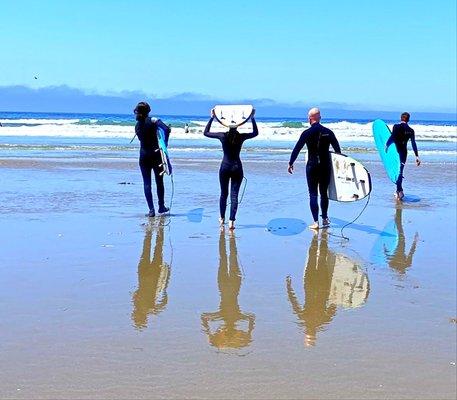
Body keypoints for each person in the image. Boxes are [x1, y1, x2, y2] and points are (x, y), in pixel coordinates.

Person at [203, 108, 258, 230]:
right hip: (237, 167)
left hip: (225, 167)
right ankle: (232, 221)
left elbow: (206, 132)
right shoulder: (241, 137)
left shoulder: (222, 136)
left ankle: (222, 218)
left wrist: (212, 117)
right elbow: (255, 133)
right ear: (238, 125)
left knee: (223, 194)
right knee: (234, 195)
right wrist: (252, 118)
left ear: (227, 125)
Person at [288, 107, 341, 229]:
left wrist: (291, 162)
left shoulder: (306, 133)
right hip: (325, 166)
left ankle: (316, 222)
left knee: (313, 194)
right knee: (324, 193)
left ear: (309, 119)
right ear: (320, 118)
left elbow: (297, 148)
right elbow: (337, 149)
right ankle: (325, 219)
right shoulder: (328, 132)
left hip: (312, 166)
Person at [201, 231, 255, 349]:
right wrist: (209, 333)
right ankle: (229, 238)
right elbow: (204, 317)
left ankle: (228, 238)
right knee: (225, 259)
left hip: (233, 286)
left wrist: (248, 332)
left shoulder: (236, 316)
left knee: (227, 258)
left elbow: (252, 317)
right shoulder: (222, 315)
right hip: (225, 285)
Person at [134, 101, 171, 217]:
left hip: (143, 156)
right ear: (148, 111)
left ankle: (151, 210)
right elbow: (166, 129)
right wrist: (165, 142)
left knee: (146, 183)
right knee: (159, 182)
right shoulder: (153, 121)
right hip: (156, 155)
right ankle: (161, 206)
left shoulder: (137, 125)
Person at [131, 223, 170, 329]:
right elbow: (135, 293)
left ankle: (156, 232)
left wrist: (165, 293)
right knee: (146, 249)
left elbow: (163, 303)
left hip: (153, 276)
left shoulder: (149, 307)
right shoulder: (140, 305)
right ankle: (150, 232)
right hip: (144, 275)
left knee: (157, 249)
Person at [385, 112, 421, 200]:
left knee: (397, 171)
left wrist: (387, 145)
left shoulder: (395, 127)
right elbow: (413, 143)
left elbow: (392, 137)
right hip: (403, 153)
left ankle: (398, 191)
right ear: (408, 120)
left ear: (401, 118)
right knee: (400, 171)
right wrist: (417, 156)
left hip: (395, 151)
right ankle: (399, 191)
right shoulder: (410, 130)